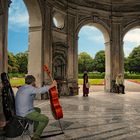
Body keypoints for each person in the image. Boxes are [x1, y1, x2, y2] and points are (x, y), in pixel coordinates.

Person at [15, 75, 57, 140]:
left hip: (19, 111)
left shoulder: (22, 87)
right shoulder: (30, 88)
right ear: (33, 82)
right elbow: (41, 90)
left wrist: (34, 89)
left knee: (38, 109)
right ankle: (36, 137)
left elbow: (32, 96)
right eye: (34, 81)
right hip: (25, 112)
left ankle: (36, 129)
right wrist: (52, 85)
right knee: (45, 119)